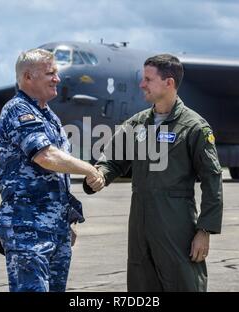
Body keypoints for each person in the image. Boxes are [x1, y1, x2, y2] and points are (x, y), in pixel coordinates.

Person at [85, 54, 223, 292]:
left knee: (183, 283)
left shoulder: (194, 127)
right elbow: (113, 161)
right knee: (141, 284)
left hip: (176, 222)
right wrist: (100, 176)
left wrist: (205, 230)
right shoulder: (136, 124)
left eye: (148, 79)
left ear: (168, 83)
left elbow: (212, 179)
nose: (142, 84)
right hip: (139, 222)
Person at [0, 48, 104, 292]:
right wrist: (89, 169)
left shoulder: (49, 116)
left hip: (54, 228)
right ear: (27, 77)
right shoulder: (18, 110)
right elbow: (46, 156)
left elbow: (57, 176)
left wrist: (66, 220)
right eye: (50, 73)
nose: (57, 78)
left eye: (56, 73)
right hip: (29, 228)